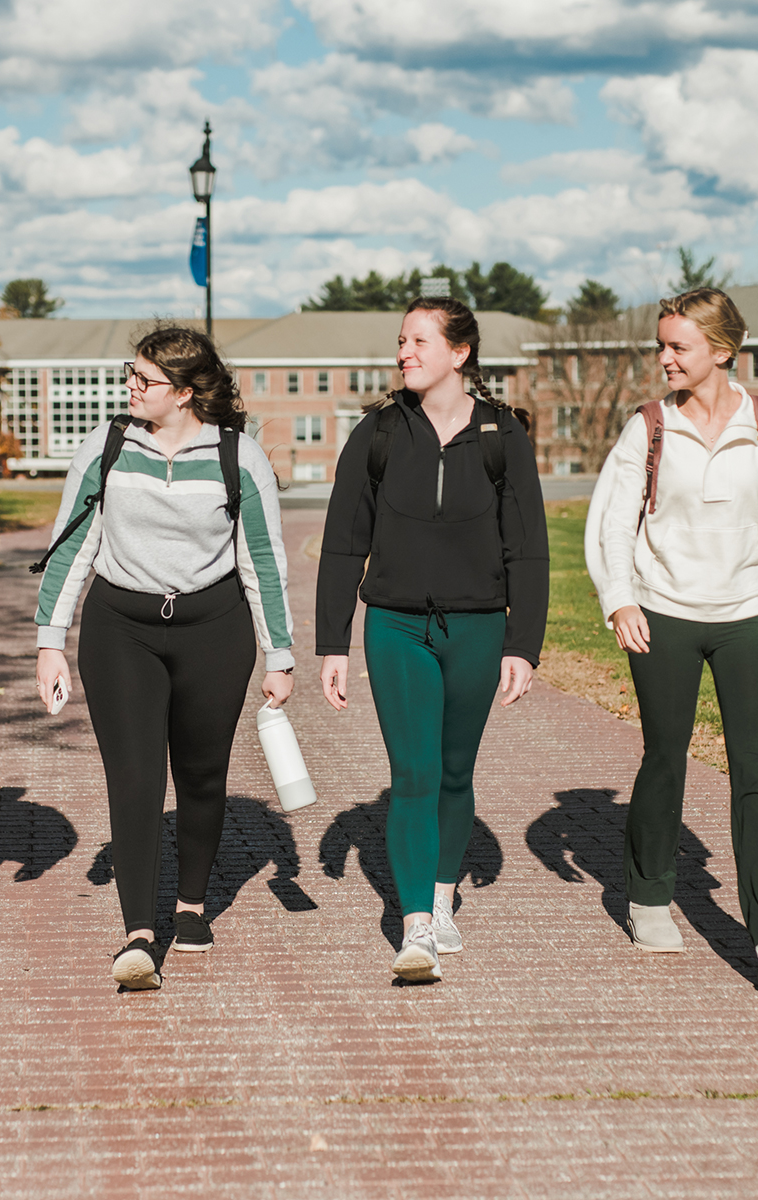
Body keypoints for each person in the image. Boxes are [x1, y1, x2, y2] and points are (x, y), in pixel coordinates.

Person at [33, 325, 296, 992]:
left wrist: (281, 653)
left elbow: (261, 559)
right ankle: (139, 932)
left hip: (216, 629)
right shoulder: (109, 445)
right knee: (136, 778)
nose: (130, 387)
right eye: (131, 373)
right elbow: (73, 544)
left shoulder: (240, 455)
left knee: (203, 775)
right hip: (123, 629)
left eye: (144, 379)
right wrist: (49, 641)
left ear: (183, 393)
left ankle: (191, 904)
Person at [583, 286, 758, 989]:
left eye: (678, 346)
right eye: (662, 345)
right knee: (665, 757)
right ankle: (649, 896)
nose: (665, 358)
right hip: (665, 616)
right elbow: (612, 522)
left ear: (722, 350)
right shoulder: (647, 428)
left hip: (744, 616)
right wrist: (620, 599)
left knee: (756, 769)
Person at [315, 297, 548, 983]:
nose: (404, 352)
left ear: (460, 352)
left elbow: (527, 551)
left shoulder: (504, 436)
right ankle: (415, 925)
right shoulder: (378, 434)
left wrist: (522, 643)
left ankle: (444, 898)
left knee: (453, 772)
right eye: (401, 341)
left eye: (419, 341)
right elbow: (340, 545)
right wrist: (335, 643)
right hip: (395, 627)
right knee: (413, 775)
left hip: (477, 628)